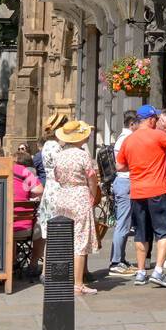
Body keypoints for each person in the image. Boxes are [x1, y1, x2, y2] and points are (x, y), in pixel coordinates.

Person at [116, 105, 166, 288]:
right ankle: (159, 271)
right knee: (164, 231)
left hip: (137, 192)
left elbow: (120, 166)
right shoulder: (158, 135)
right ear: (152, 119)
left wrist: (138, 167)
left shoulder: (129, 140)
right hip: (158, 190)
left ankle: (140, 272)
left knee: (141, 233)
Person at [51, 120, 101, 295]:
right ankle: (78, 284)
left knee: (64, 239)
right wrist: (92, 194)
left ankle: (62, 278)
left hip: (63, 196)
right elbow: (92, 177)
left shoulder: (60, 155)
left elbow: (57, 177)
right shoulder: (82, 155)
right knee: (80, 240)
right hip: (79, 195)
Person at [107, 111, 137, 274]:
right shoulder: (127, 138)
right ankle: (116, 262)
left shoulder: (122, 137)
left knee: (124, 222)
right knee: (123, 223)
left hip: (123, 182)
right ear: (132, 124)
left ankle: (120, 259)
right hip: (125, 182)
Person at [12, 148, 44, 277]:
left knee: (8, 229)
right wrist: (27, 193)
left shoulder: (0, 170)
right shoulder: (24, 172)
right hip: (26, 228)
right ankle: (33, 264)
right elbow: (39, 190)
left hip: (1, 229)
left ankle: (12, 263)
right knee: (42, 230)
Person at [35, 115, 65, 243]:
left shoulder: (47, 144)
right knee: (56, 231)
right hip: (56, 189)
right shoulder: (54, 146)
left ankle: (48, 262)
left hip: (50, 187)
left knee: (50, 234)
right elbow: (62, 168)